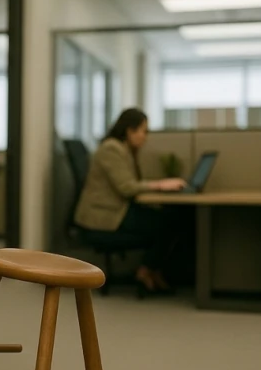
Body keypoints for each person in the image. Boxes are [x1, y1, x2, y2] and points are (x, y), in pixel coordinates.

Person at [73, 108, 185, 293]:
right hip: (104, 216)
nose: (145, 137)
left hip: (116, 210)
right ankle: (146, 271)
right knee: (169, 222)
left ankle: (150, 270)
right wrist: (161, 185)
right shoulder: (112, 148)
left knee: (170, 218)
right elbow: (126, 187)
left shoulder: (123, 149)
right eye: (143, 131)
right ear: (129, 131)